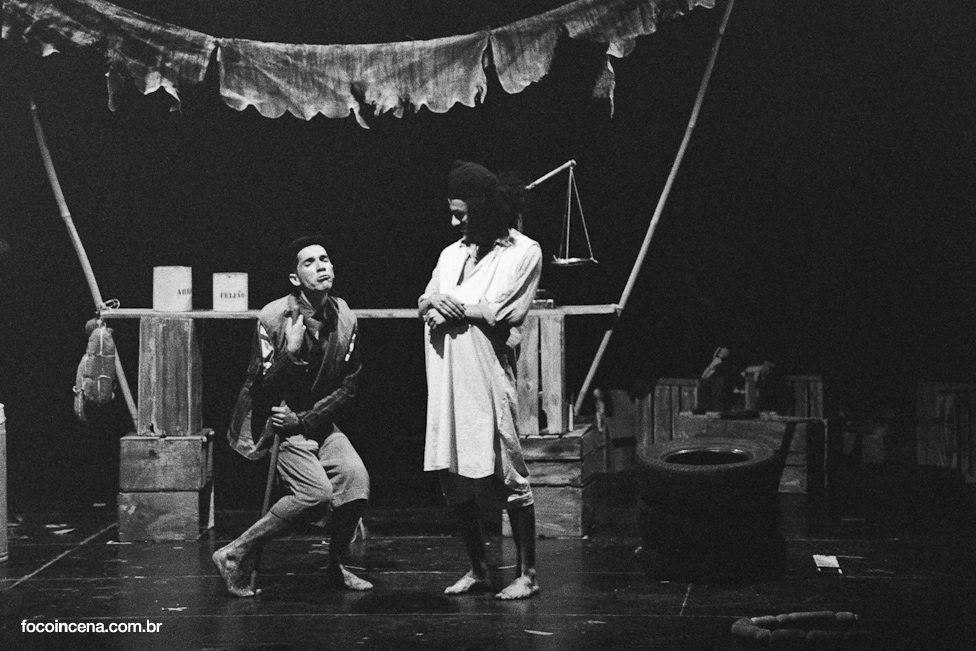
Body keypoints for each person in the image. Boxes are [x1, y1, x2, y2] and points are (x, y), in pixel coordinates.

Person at [213, 235, 372, 597]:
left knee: (356, 483)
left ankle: (336, 566)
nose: (321, 266)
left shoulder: (346, 318)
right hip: (277, 424)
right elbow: (259, 387)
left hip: (313, 421)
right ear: (295, 278)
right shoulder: (272, 318)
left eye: (324, 259)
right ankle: (234, 553)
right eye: (309, 262)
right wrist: (291, 353)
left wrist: (306, 420)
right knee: (315, 494)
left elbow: (349, 387)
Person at [419, 161, 543, 600]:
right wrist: (436, 301)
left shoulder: (523, 252)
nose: (455, 223)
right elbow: (425, 299)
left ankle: (528, 574)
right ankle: (478, 569)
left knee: (507, 470)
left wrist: (455, 309)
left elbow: (505, 311)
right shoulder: (451, 254)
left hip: (486, 376)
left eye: (462, 215)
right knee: (454, 476)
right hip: (446, 376)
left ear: (486, 209)